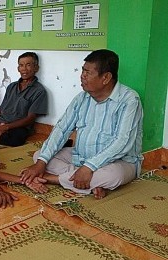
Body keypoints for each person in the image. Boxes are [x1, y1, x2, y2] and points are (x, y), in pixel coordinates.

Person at [20, 49, 143, 199]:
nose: (82, 76)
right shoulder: (82, 98)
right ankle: (86, 181)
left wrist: (90, 167)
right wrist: (41, 163)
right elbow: (62, 128)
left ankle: (52, 179)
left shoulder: (129, 100)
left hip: (118, 162)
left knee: (113, 176)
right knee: (40, 155)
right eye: (82, 71)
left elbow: (122, 142)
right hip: (81, 157)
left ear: (106, 77)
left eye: (87, 73)